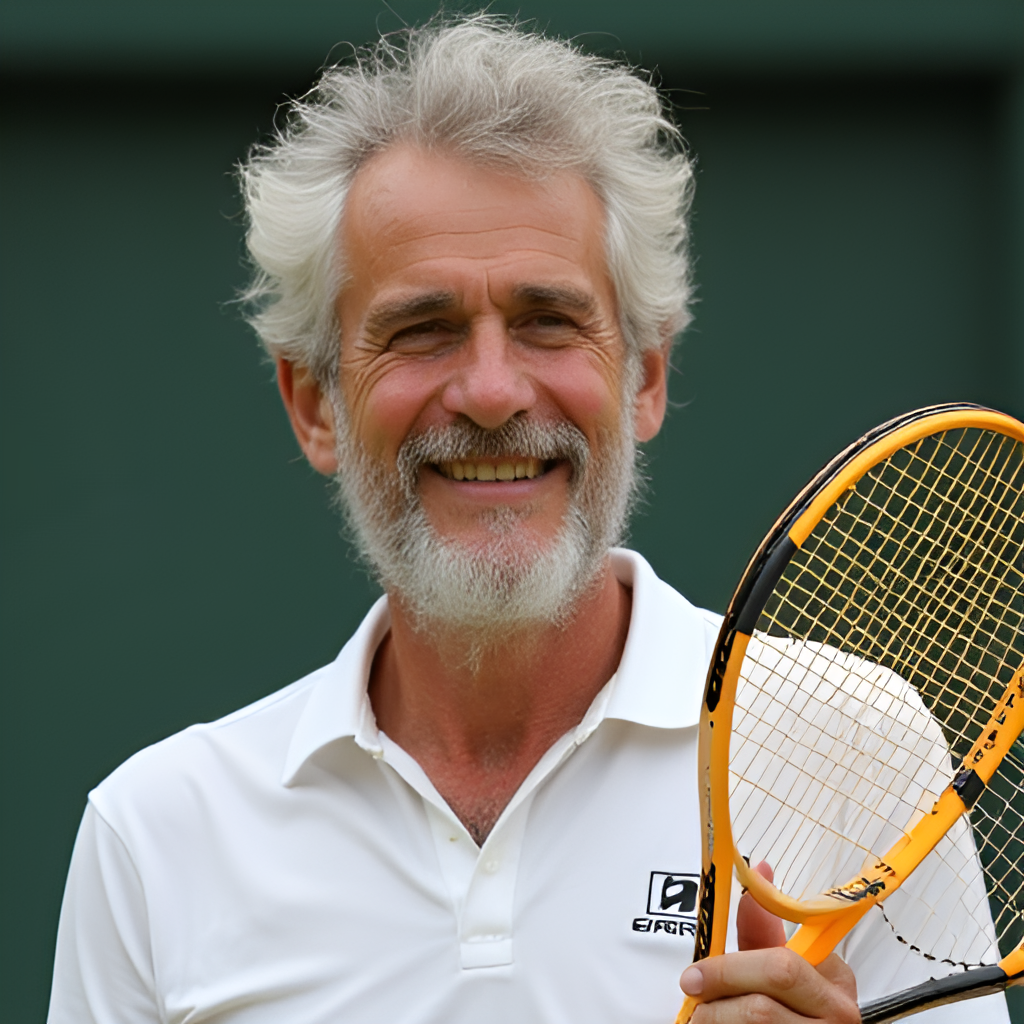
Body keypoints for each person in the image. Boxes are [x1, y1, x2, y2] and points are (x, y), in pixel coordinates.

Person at [47, 17, 1007, 1024]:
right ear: (313, 403)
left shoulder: (853, 749)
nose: (494, 391)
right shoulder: (154, 835)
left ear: (643, 376)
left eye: (549, 320)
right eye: (422, 329)